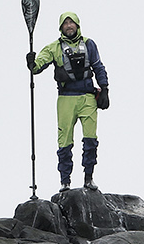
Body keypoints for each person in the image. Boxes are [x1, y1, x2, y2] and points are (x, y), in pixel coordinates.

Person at [26, 11, 110, 192]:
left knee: (90, 139)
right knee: (64, 142)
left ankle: (89, 178)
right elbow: (38, 65)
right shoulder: (54, 47)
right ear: (61, 27)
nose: (69, 26)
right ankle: (65, 182)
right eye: (65, 23)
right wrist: (33, 63)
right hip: (66, 99)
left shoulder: (89, 44)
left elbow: (98, 66)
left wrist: (104, 89)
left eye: (72, 23)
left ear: (77, 25)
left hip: (88, 97)